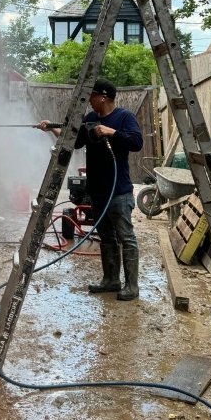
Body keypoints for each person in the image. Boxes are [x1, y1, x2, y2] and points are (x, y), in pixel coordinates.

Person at [37, 78, 143, 300]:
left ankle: (132, 286)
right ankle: (111, 280)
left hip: (119, 191)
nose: (90, 101)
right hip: (98, 191)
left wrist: (111, 132)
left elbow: (136, 143)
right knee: (106, 238)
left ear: (103, 96)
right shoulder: (91, 119)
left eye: (92, 96)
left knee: (126, 238)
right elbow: (74, 143)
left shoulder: (124, 117)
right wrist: (52, 130)